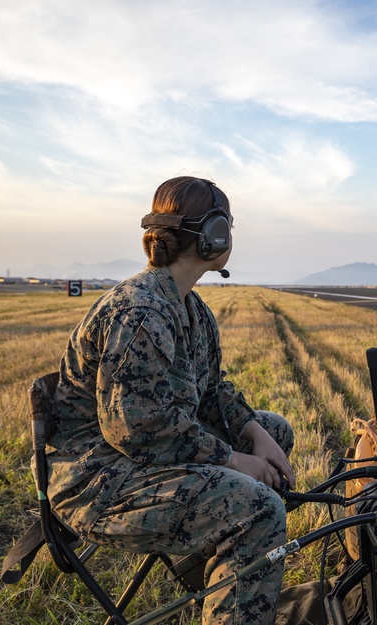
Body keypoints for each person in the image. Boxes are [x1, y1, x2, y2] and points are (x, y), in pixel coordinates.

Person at [47, 176, 295, 624]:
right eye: (230, 228)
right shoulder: (140, 312)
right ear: (214, 236)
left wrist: (255, 435)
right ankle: (235, 568)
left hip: (136, 459)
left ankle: (223, 573)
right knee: (259, 510)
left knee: (275, 429)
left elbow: (212, 391)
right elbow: (137, 430)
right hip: (99, 480)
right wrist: (235, 462)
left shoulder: (190, 307)